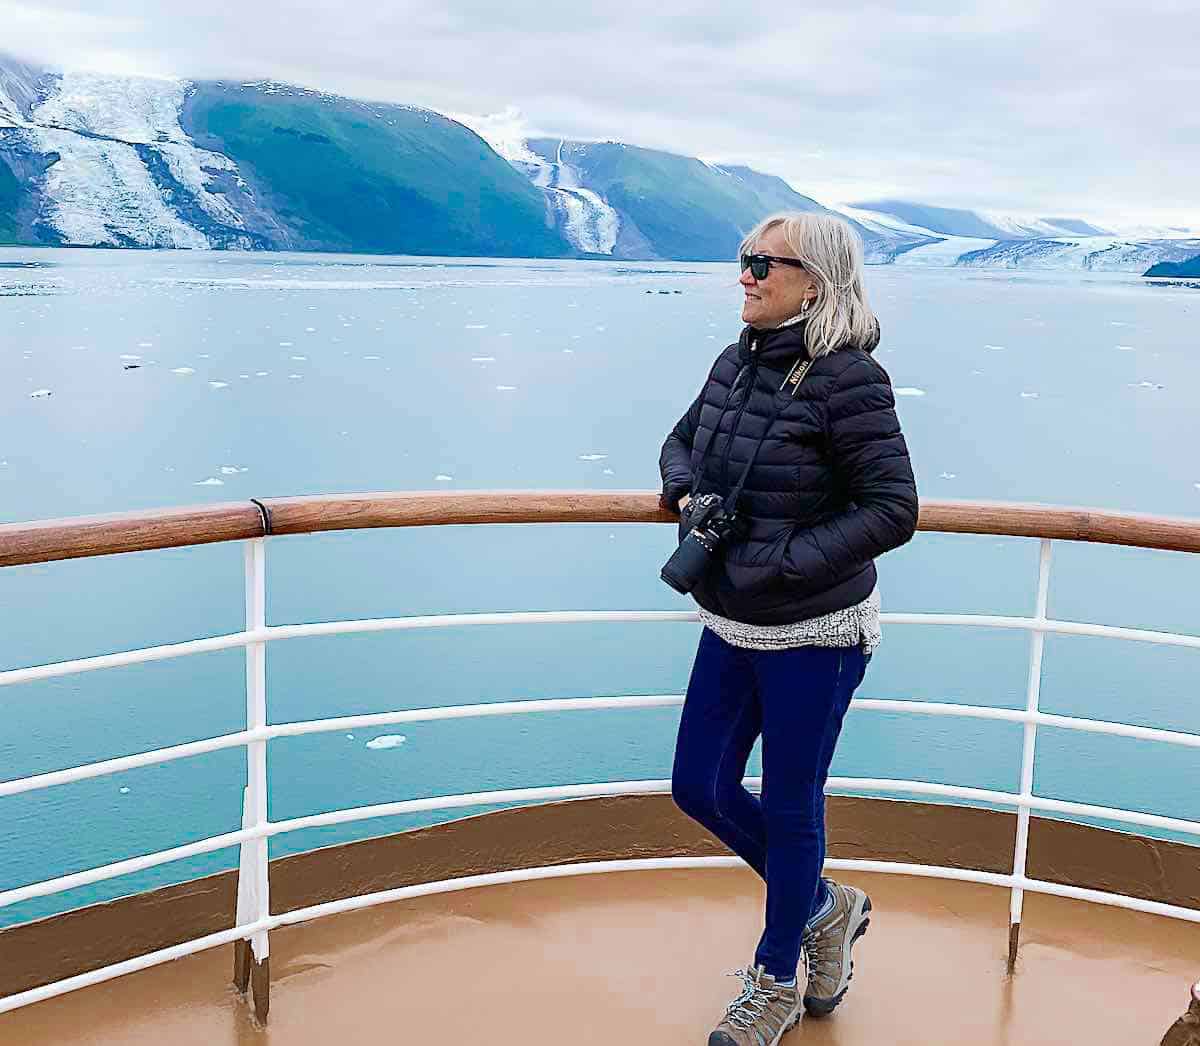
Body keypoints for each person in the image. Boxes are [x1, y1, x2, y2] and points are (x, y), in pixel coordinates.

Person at [658, 211, 919, 1045]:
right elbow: (680, 444)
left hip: (818, 630)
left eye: (763, 263)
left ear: (816, 281)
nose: (746, 274)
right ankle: (826, 906)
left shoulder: (850, 380)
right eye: (744, 259)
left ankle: (774, 980)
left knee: (793, 803)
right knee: (697, 785)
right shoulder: (737, 362)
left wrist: (787, 561)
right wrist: (688, 494)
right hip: (731, 620)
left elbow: (893, 508)